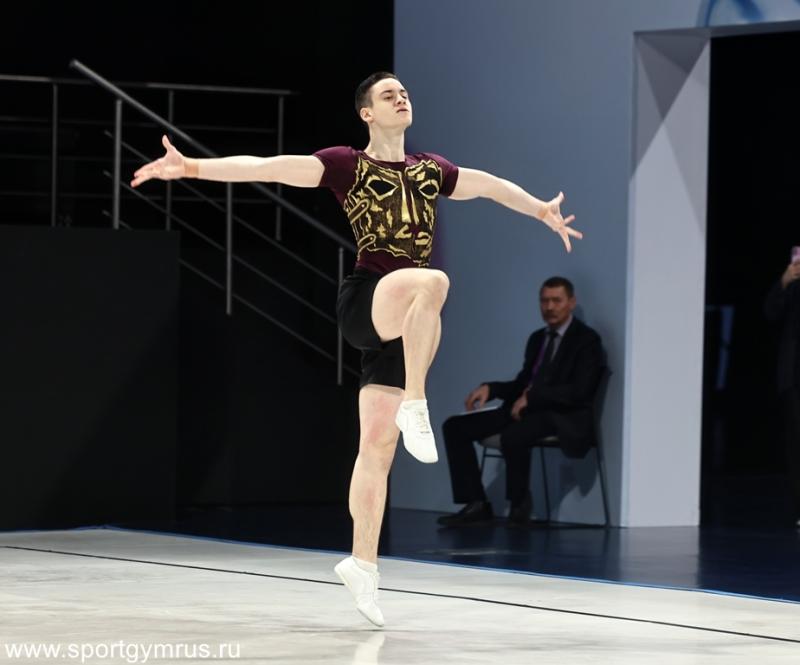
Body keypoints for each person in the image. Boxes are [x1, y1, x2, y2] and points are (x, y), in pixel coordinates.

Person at [131, 72, 582, 626]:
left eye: (404, 92)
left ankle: (362, 565)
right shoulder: (347, 164)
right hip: (368, 300)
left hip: (407, 326)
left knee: (377, 448)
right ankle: (416, 401)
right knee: (433, 281)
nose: (401, 97)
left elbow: (488, 185)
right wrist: (192, 168)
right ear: (367, 112)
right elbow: (268, 167)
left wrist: (539, 208)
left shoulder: (430, 170)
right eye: (388, 95)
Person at [438, 277, 604, 526]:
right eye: (544, 301)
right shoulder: (538, 338)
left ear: (571, 302)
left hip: (561, 415)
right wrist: (491, 389)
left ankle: (519, 505)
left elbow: (580, 392)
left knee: (514, 435)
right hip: (525, 408)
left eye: (556, 301)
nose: (549, 307)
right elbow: (523, 383)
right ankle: (476, 503)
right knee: (454, 427)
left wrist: (533, 397)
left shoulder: (586, 341)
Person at [764, 256, 800, 528]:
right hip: (794, 377)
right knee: (796, 446)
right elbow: (770, 312)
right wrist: (784, 282)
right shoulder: (794, 285)